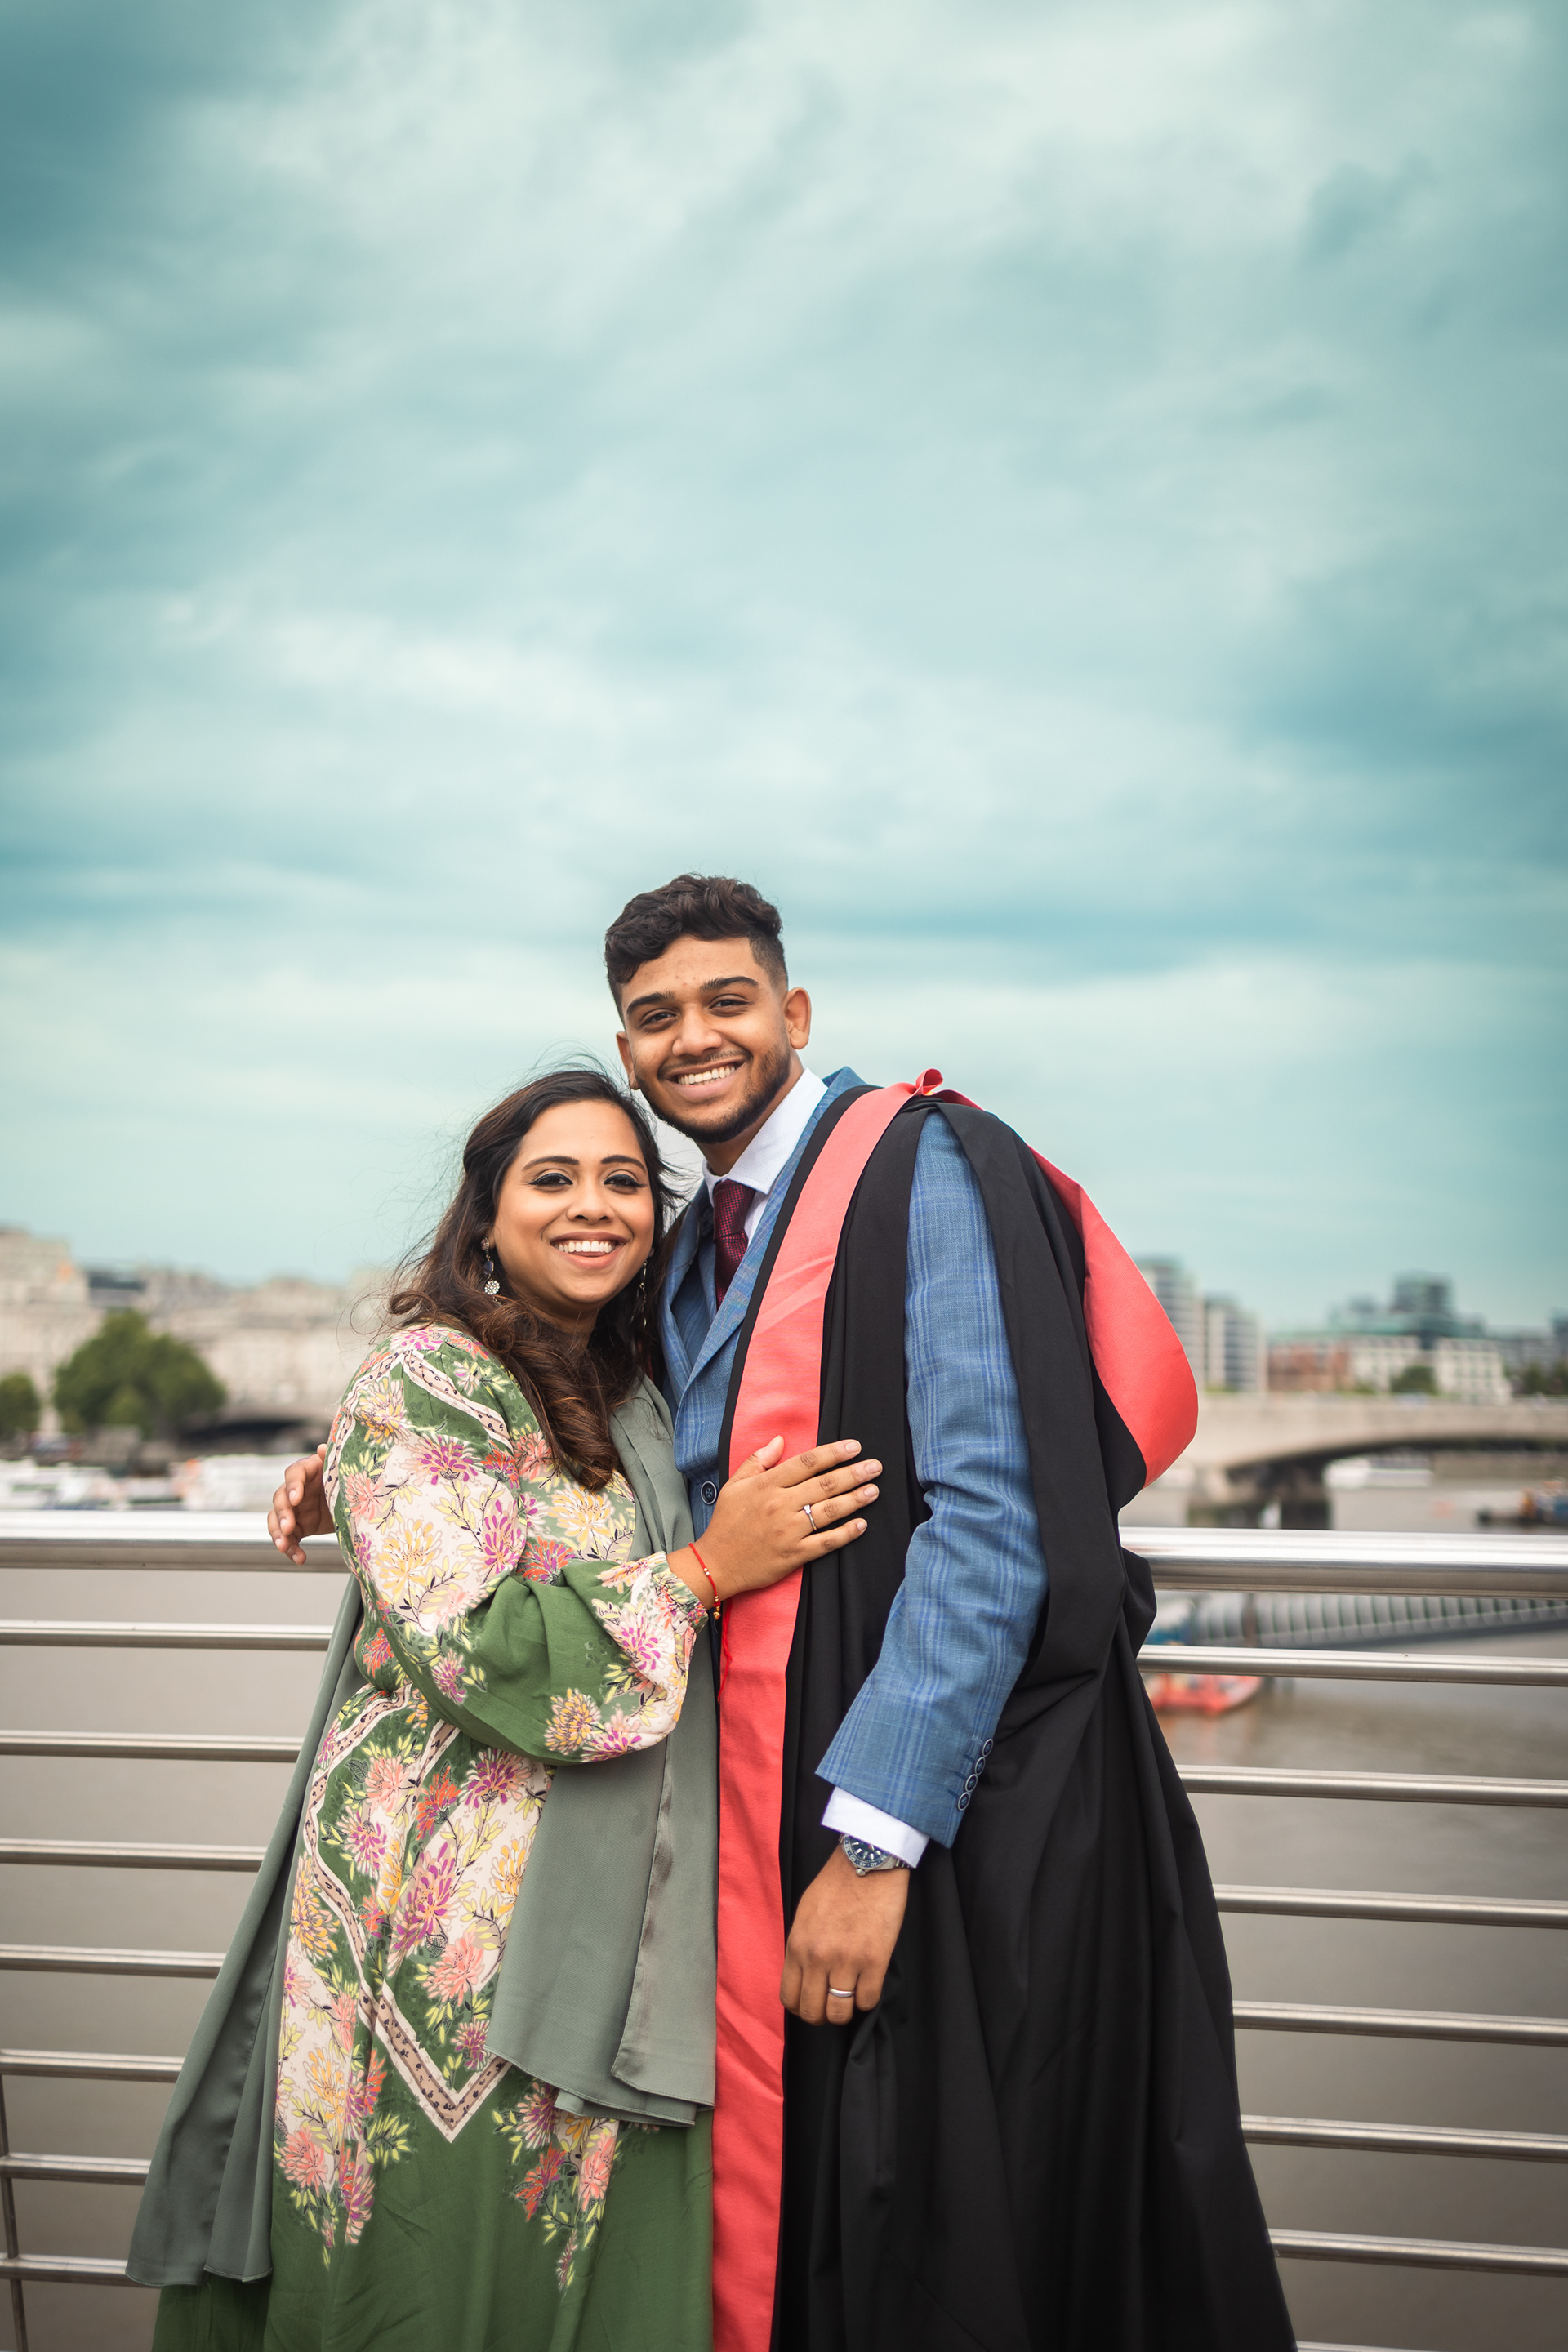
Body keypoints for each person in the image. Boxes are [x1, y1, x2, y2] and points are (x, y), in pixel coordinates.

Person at [270, 878, 1295, 2352]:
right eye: (655, 1016)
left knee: (951, 2228)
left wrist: (875, 1843)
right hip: (721, 1834)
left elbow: (993, 1519)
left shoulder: (925, 1170)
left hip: (925, 1816)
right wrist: (360, 1471)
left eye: (727, 1001)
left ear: (793, 1012)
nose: (694, 1037)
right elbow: (570, 1446)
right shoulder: (691, 1248)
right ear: (629, 1048)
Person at [129, 1066, 880, 2351]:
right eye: (554, 1179)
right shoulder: (426, 1379)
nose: (594, 1206)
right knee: (436, 2247)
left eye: (624, 1181)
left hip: (610, 1896)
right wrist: (705, 1571)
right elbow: (473, 1645)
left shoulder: (633, 1383)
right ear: (485, 1216)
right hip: (443, 1929)